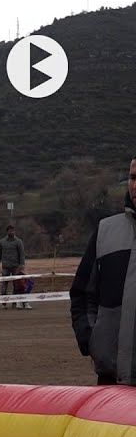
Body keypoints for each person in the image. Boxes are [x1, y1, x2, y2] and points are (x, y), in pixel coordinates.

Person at [70, 157, 136, 385]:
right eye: (133, 177)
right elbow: (81, 293)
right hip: (111, 380)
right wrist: (91, 339)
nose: (135, 185)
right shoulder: (105, 231)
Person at [0, 224, 26, 309]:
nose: (12, 232)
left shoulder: (18, 242)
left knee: (16, 285)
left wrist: (22, 264)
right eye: (10, 230)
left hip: (16, 266)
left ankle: (14, 302)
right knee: (4, 284)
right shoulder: (2, 242)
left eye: (13, 230)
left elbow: (22, 254)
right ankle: (3, 302)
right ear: (7, 231)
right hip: (5, 266)